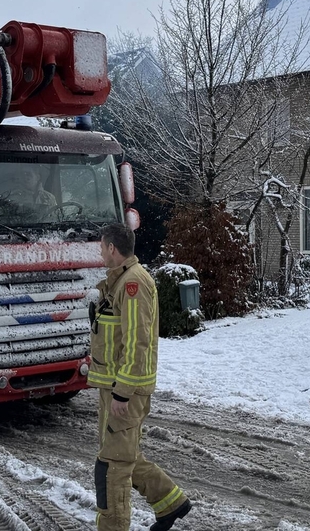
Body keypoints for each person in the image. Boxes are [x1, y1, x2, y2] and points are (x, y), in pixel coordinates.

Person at [89, 223, 191, 531]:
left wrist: (123, 391)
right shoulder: (120, 281)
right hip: (115, 387)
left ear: (113, 249)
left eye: (102, 246)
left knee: (112, 468)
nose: (100, 252)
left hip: (124, 392)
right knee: (122, 455)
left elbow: (137, 340)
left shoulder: (133, 284)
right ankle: (170, 502)